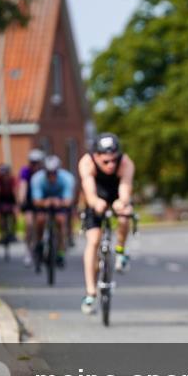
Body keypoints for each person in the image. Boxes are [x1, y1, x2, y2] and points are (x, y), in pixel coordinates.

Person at [78, 133, 135, 314]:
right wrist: (95, 202)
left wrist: (122, 202)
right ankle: (90, 292)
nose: (111, 165)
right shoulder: (86, 163)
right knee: (94, 241)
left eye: (113, 160)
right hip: (96, 197)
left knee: (125, 216)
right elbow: (88, 188)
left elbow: (125, 186)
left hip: (116, 194)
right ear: (96, 157)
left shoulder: (126, 163)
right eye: (105, 162)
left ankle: (120, 252)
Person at [29, 155, 76, 268]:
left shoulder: (67, 178)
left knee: (61, 221)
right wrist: (46, 202)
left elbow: (68, 201)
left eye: (54, 173)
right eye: (49, 173)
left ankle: (60, 252)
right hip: (43, 202)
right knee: (40, 219)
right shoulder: (37, 179)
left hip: (60, 202)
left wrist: (59, 202)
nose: (51, 176)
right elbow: (36, 201)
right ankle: (39, 244)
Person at [17, 149, 45, 266]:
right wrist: (21, 200)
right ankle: (28, 250)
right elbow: (23, 186)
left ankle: (41, 244)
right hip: (29, 200)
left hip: (42, 200)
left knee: (41, 222)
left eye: (37, 162)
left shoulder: (44, 172)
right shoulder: (26, 171)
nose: (35, 165)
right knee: (29, 224)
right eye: (32, 162)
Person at [0, 164, 17, 243]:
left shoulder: (12, 180)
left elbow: (15, 192)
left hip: (11, 199)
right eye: (2, 175)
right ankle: (1, 234)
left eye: (5, 174)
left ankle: (13, 233)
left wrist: (17, 204)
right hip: (2, 199)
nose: (4, 176)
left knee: (13, 215)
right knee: (1, 217)